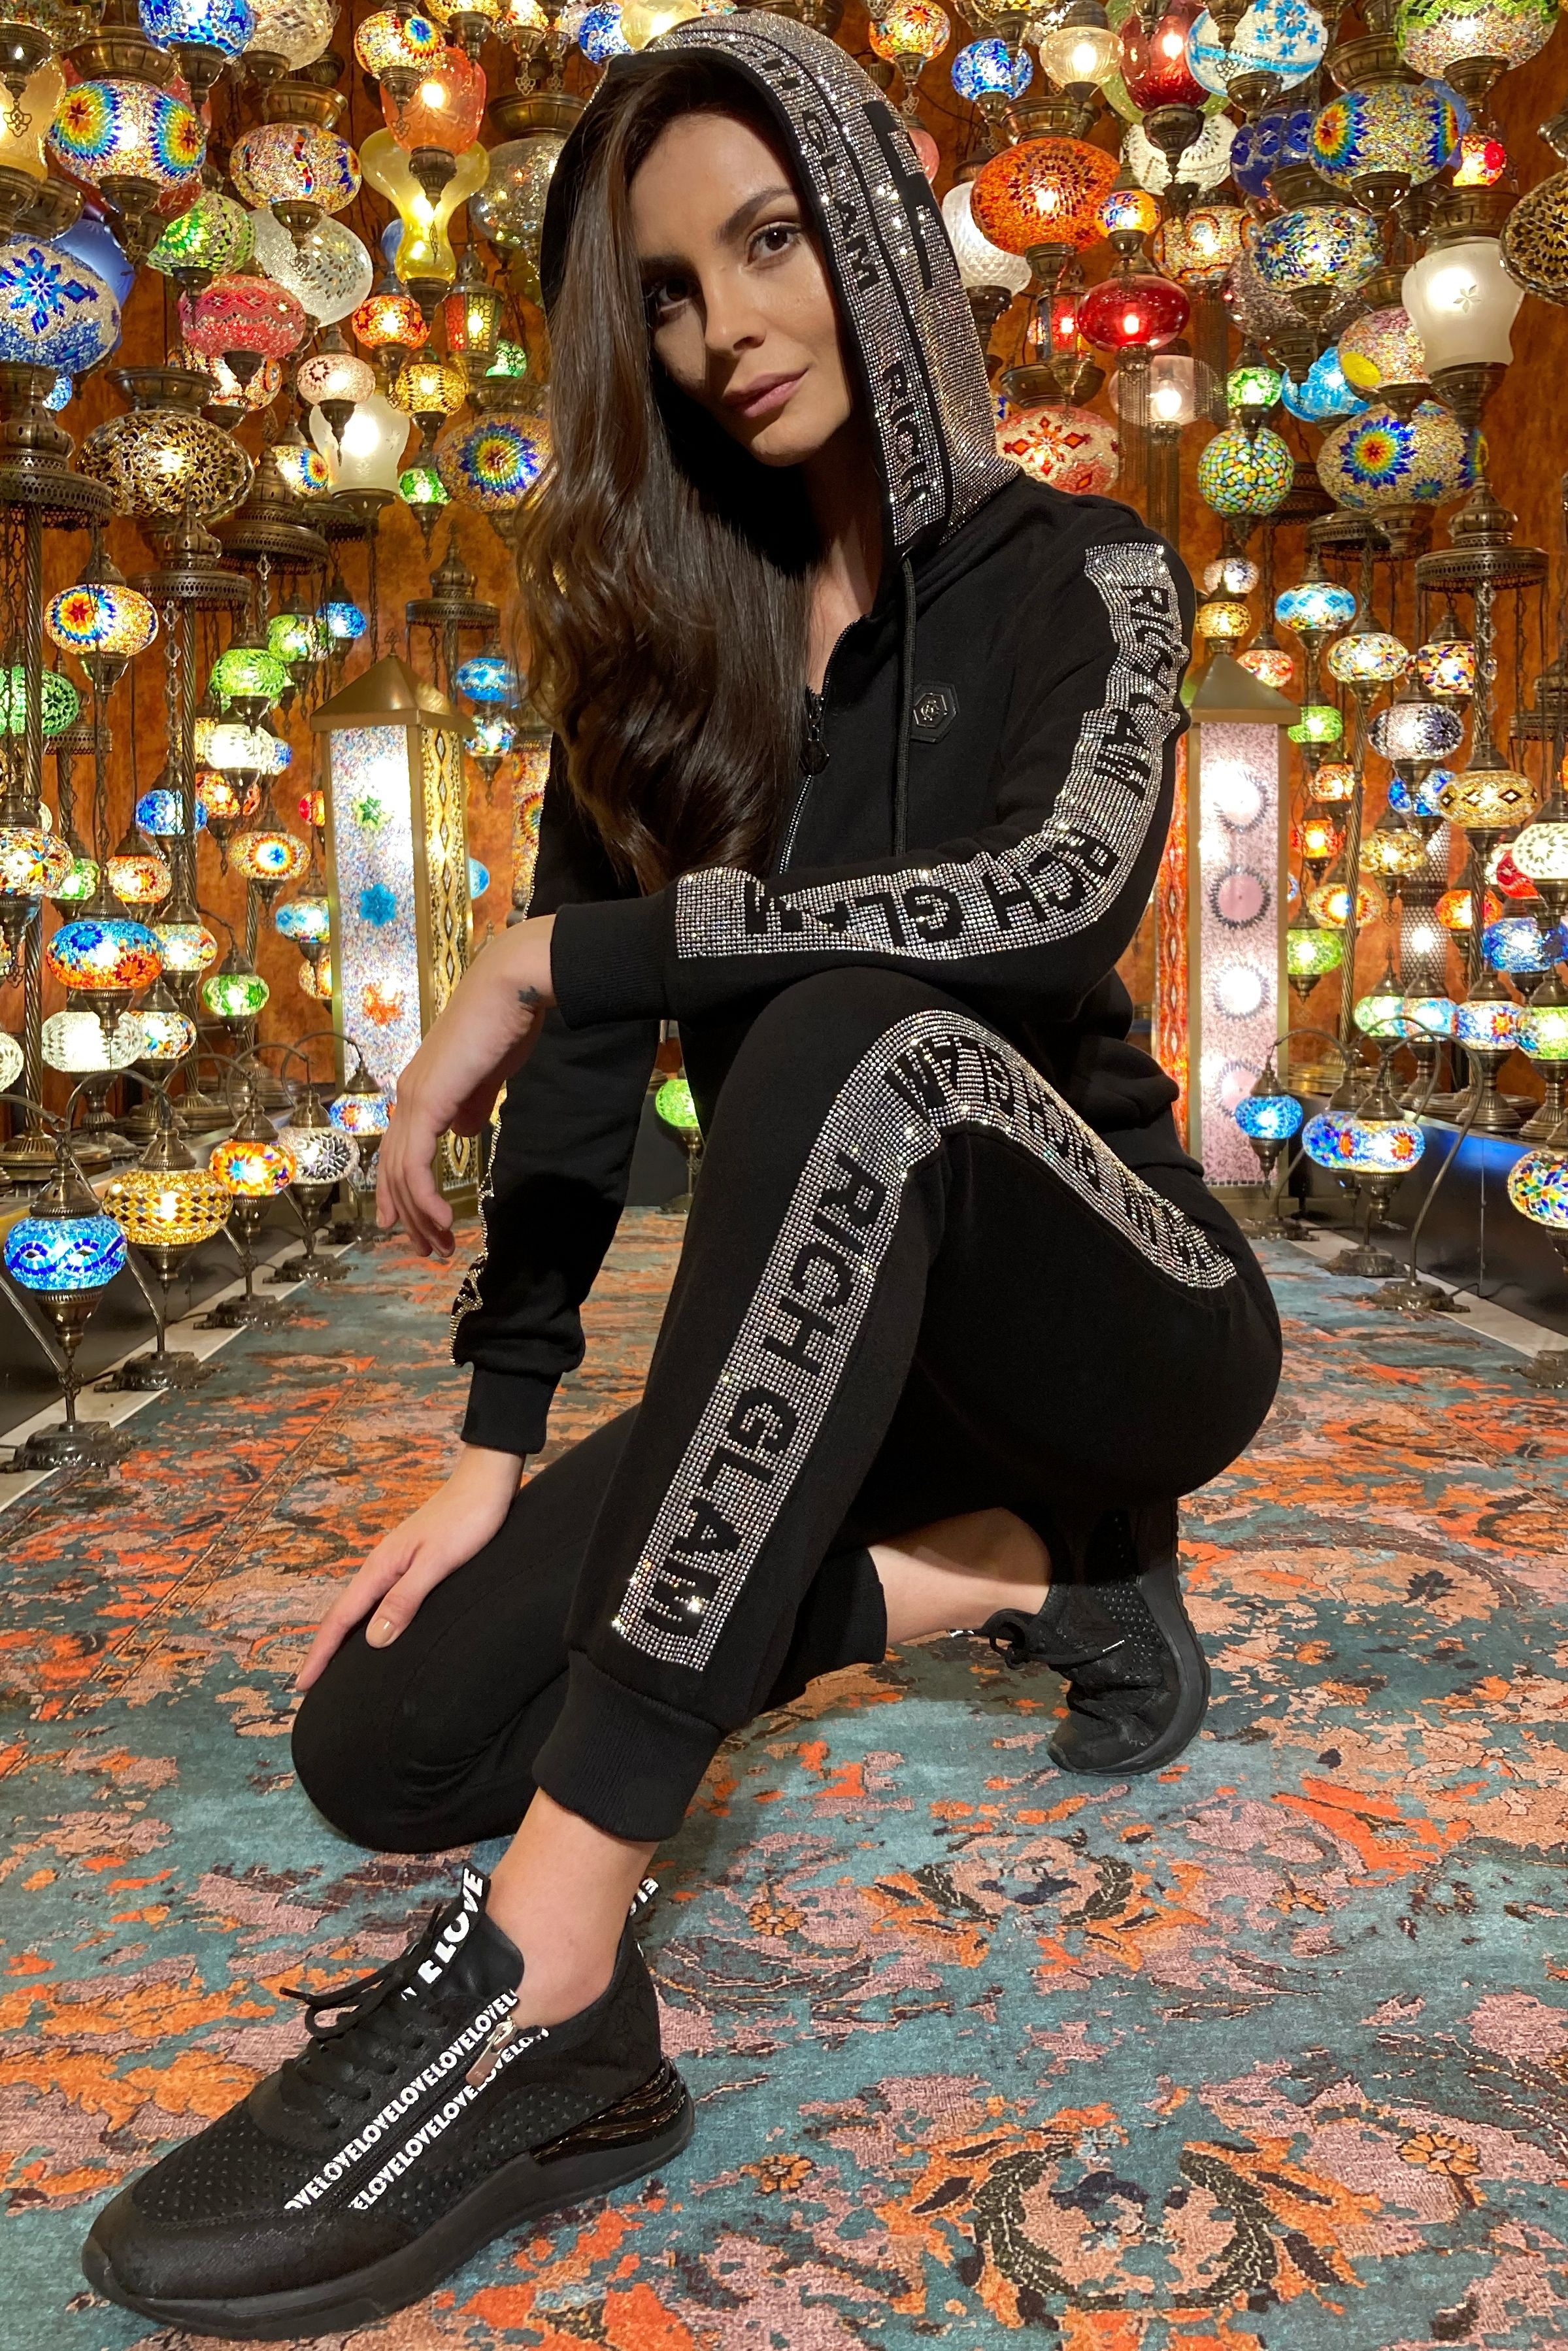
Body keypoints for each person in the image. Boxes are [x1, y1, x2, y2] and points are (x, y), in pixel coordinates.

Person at [82, 16, 1282, 2337]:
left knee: (850, 1032)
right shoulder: (660, 650)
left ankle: (553, 1986)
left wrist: (568, 946)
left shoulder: (1089, 574)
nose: (724, 326)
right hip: (857, 1354)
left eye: (771, 242)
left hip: (1120, 1312)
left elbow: (1043, 899)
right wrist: (490, 1443)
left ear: (882, 240)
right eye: (664, 291)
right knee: (388, 1745)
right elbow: (579, 1074)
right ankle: (1040, 1565)